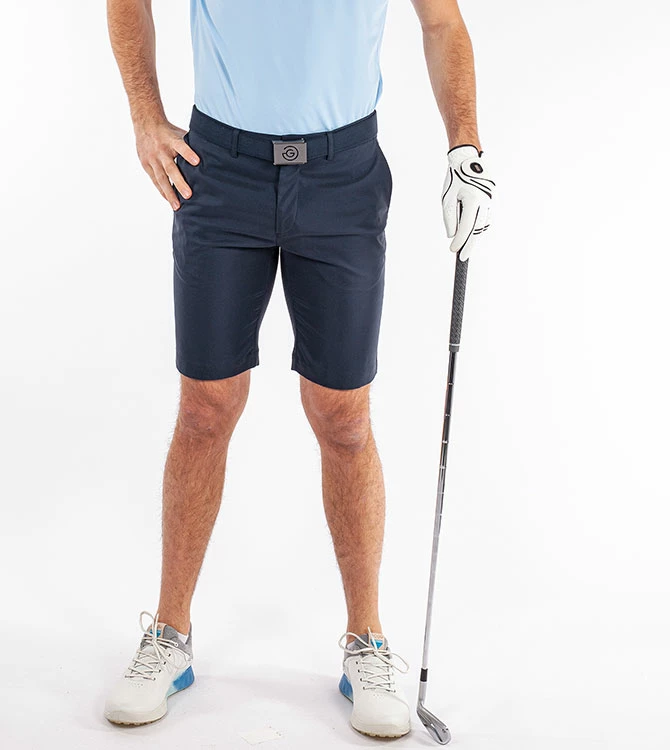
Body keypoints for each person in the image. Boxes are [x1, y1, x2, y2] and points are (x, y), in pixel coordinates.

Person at [103, 0, 494, 738]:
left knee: (343, 417)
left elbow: (442, 23)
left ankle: (366, 642)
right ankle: (169, 635)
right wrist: (145, 117)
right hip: (219, 172)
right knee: (205, 408)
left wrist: (463, 147)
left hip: (343, 177)